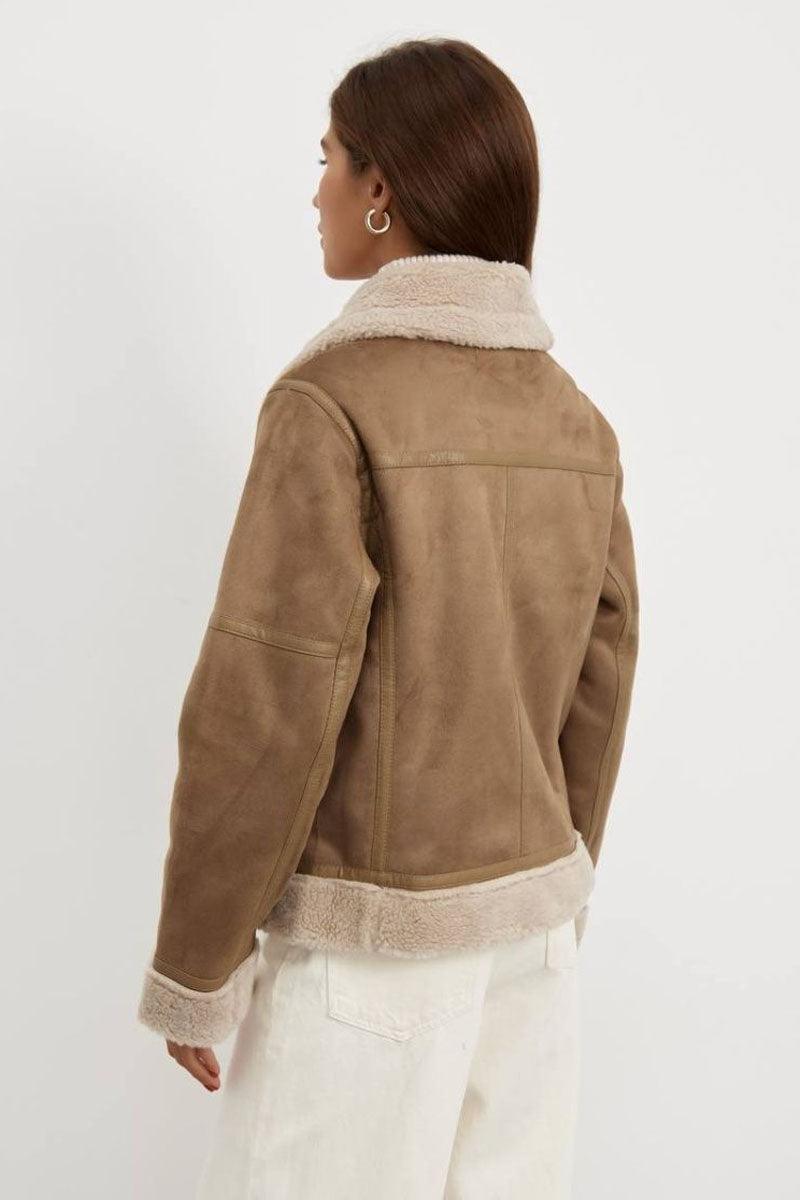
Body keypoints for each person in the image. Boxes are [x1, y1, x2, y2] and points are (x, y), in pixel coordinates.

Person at [136, 36, 640, 1200]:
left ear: (381, 190)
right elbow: (599, 683)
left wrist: (197, 966)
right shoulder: (575, 422)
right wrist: (543, 891)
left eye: (326, 158)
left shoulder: (331, 404)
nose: (313, 188)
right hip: (529, 956)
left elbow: (264, 709)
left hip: (368, 971)